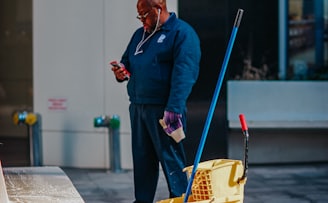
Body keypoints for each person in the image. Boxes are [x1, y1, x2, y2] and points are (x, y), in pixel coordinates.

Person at [111, 0, 201, 202]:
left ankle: (180, 199)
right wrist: (121, 72)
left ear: (159, 9)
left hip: (164, 110)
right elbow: (127, 62)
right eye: (139, 15)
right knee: (142, 159)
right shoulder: (139, 35)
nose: (142, 19)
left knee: (171, 160)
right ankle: (142, 200)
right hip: (138, 106)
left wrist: (174, 108)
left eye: (145, 14)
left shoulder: (182, 33)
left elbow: (184, 74)